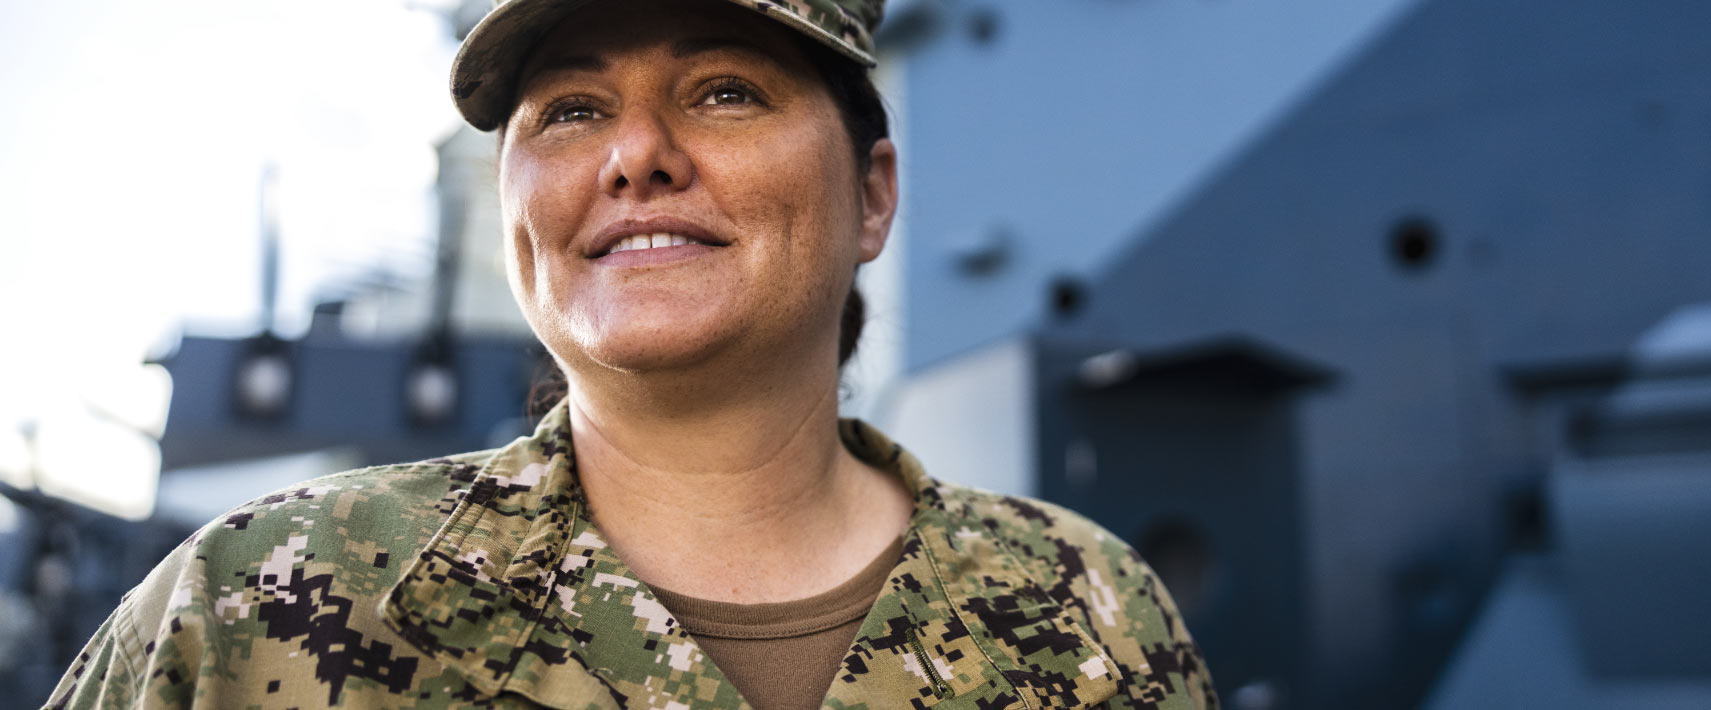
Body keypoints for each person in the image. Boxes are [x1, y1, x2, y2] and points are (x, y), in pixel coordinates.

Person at [45, 0, 1217, 707]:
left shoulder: (1094, 613)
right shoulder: (250, 609)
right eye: (570, 110)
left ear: (872, 194)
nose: (638, 155)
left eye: (723, 91)